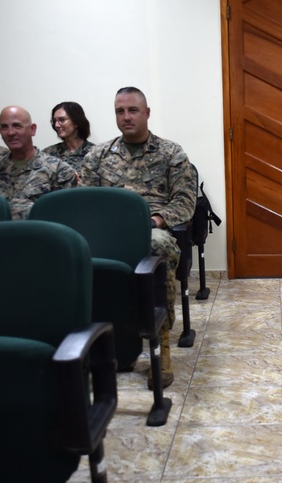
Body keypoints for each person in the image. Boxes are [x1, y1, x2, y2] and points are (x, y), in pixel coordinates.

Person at [80, 87, 195, 388]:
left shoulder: (171, 153)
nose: (126, 117)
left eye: (132, 110)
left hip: (153, 229)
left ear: (146, 113)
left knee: (157, 245)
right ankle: (109, 344)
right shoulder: (98, 155)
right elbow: (85, 201)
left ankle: (162, 344)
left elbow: (185, 201)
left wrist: (153, 221)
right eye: (120, 111)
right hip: (108, 232)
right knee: (77, 252)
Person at [0, 106, 78, 220]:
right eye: (4, 127)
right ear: (0, 132)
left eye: (17, 126)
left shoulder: (59, 171)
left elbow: (66, 218)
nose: (10, 132)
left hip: (40, 236)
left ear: (32, 129)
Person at [43, 101, 94, 176]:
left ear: (76, 122)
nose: (57, 125)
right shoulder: (48, 154)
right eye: (54, 121)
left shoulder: (95, 153)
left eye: (62, 120)